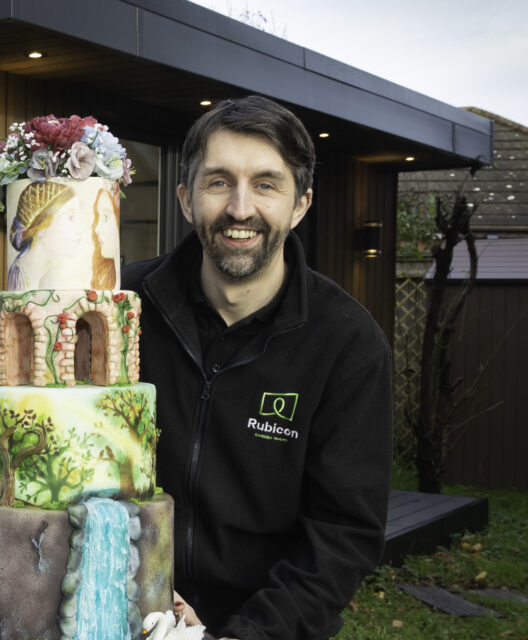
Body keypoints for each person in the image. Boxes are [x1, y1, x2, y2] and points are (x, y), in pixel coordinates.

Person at [121, 95, 392, 639]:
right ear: (185, 198)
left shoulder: (346, 343)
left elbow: (341, 538)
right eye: (218, 182)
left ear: (300, 205)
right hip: (121, 609)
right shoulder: (120, 306)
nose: (240, 208)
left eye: (266, 184)